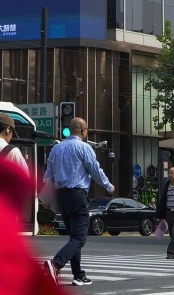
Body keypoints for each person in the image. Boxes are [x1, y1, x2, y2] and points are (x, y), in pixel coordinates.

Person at [42, 117, 114, 287]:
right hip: (77, 196)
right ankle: (55, 264)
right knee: (80, 238)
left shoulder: (56, 149)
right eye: (87, 130)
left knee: (74, 237)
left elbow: (47, 176)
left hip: (61, 197)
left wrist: (44, 196)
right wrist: (108, 186)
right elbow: (95, 170)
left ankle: (78, 274)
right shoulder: (84, 148)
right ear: (83, 131)